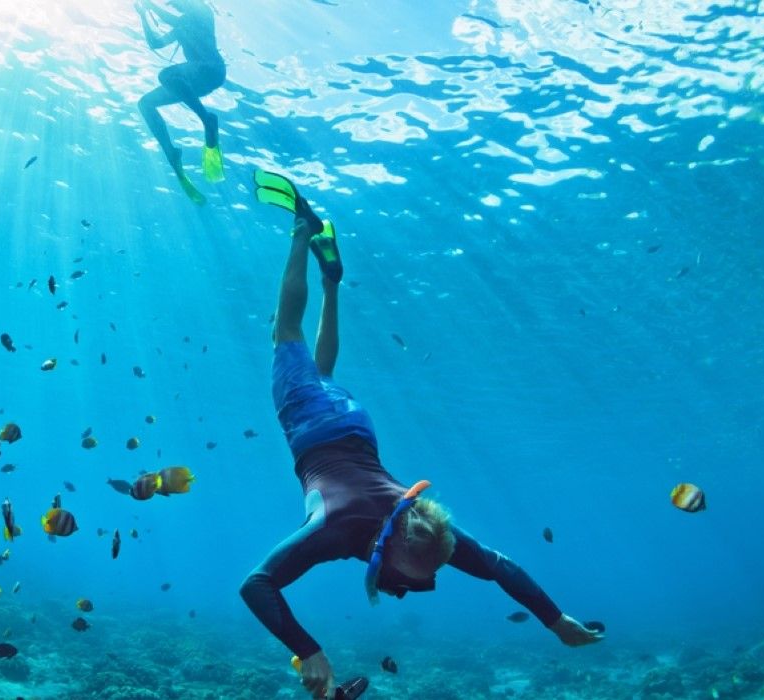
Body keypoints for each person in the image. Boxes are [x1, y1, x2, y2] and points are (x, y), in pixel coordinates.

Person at [240, 171, 605, 699]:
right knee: (286, 334)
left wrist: (556, 621)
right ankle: (301, 231)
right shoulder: (341, 528)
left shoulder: (423, 534)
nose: (414, 589)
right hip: (316, 427)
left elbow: (500, 568)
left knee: (322, 373)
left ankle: (331, 282)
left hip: (355, 424)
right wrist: (308, 648)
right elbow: (255, 584)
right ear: (387, 548)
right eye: (411, 580)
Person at [134, 0, 226, 204]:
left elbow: (172, 18)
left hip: (210, 70)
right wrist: (143, 15)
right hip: (193, 80)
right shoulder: (181, 24)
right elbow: (156, 43)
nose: (175, 6)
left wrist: (151, 6)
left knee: (166, 76)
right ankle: (170, 151)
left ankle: (206, 119)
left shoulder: (203, 11)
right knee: (145, 103)